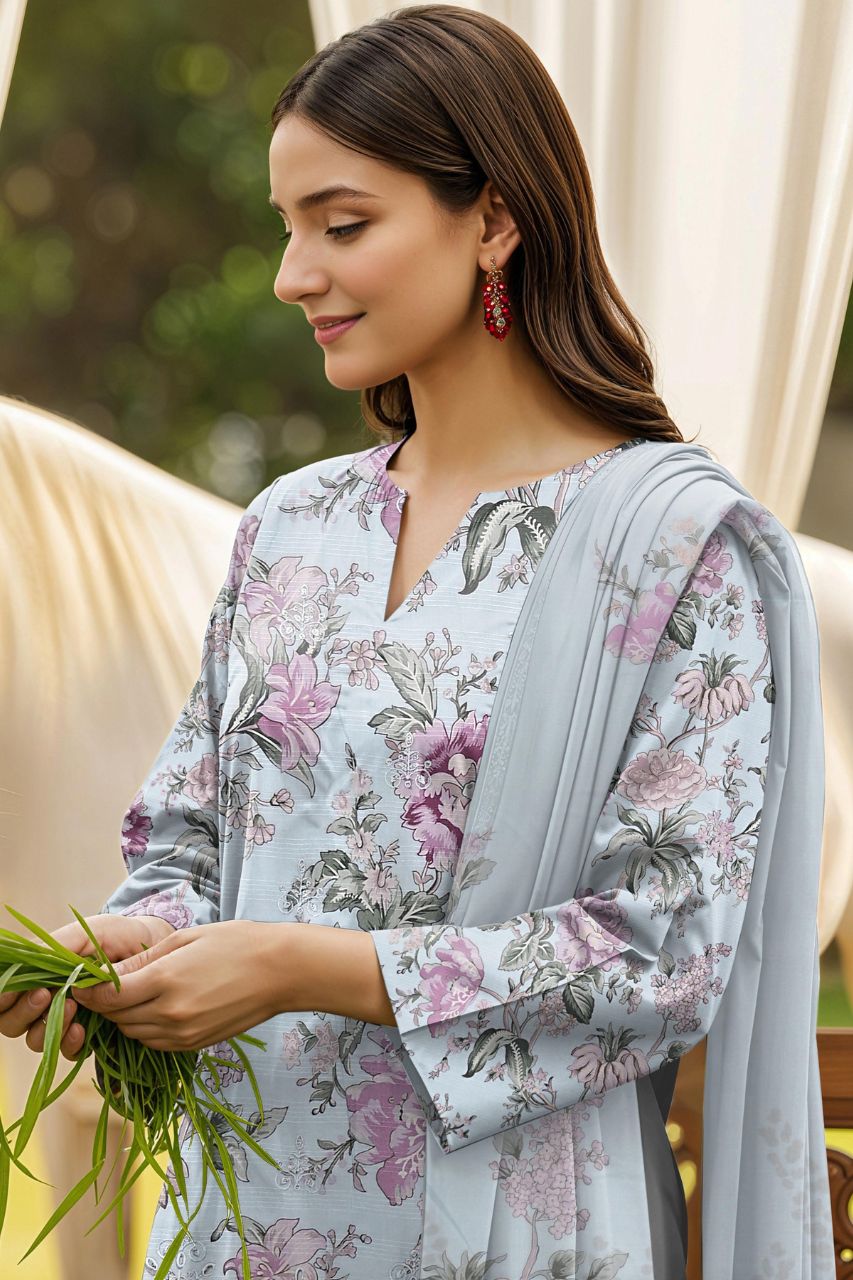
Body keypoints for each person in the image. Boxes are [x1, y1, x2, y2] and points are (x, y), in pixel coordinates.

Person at [0, 7, 831, 1279]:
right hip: (249, 1216)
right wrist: (127, 948)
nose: (292, 276)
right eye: (287, 228)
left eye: (342, 225)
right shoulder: (291, 527)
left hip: (512, 1233)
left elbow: (660, 954)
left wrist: (298, 964)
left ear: (493, 219)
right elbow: (189, 840)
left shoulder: (675, 548)